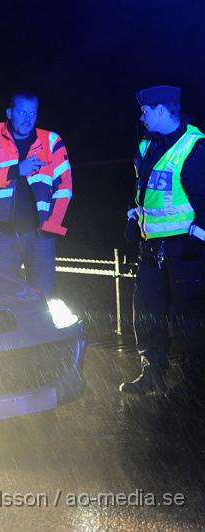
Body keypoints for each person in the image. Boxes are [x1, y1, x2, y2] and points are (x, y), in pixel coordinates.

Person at [120, 85, 205, 397]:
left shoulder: (194, 147)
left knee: (189, 321)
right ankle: (152, 375)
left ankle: (193, 383)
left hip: (185, 251)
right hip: (151, 249)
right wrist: (134, 219)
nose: (141, 116)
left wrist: (199, 238)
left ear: (161, 109)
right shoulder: (146, 146)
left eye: (145, 110)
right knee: (147, 315)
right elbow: (145, 192)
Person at [0, 91, 73, 295]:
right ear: (9, 112)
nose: (27, 118)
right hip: (4, 234)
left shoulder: (52, 141)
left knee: (43, 300)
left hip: (41, 237)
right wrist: (16, 170)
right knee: (0, 296)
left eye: (32, 113)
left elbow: (65, 187)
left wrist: (51, 226)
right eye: (22, 112)